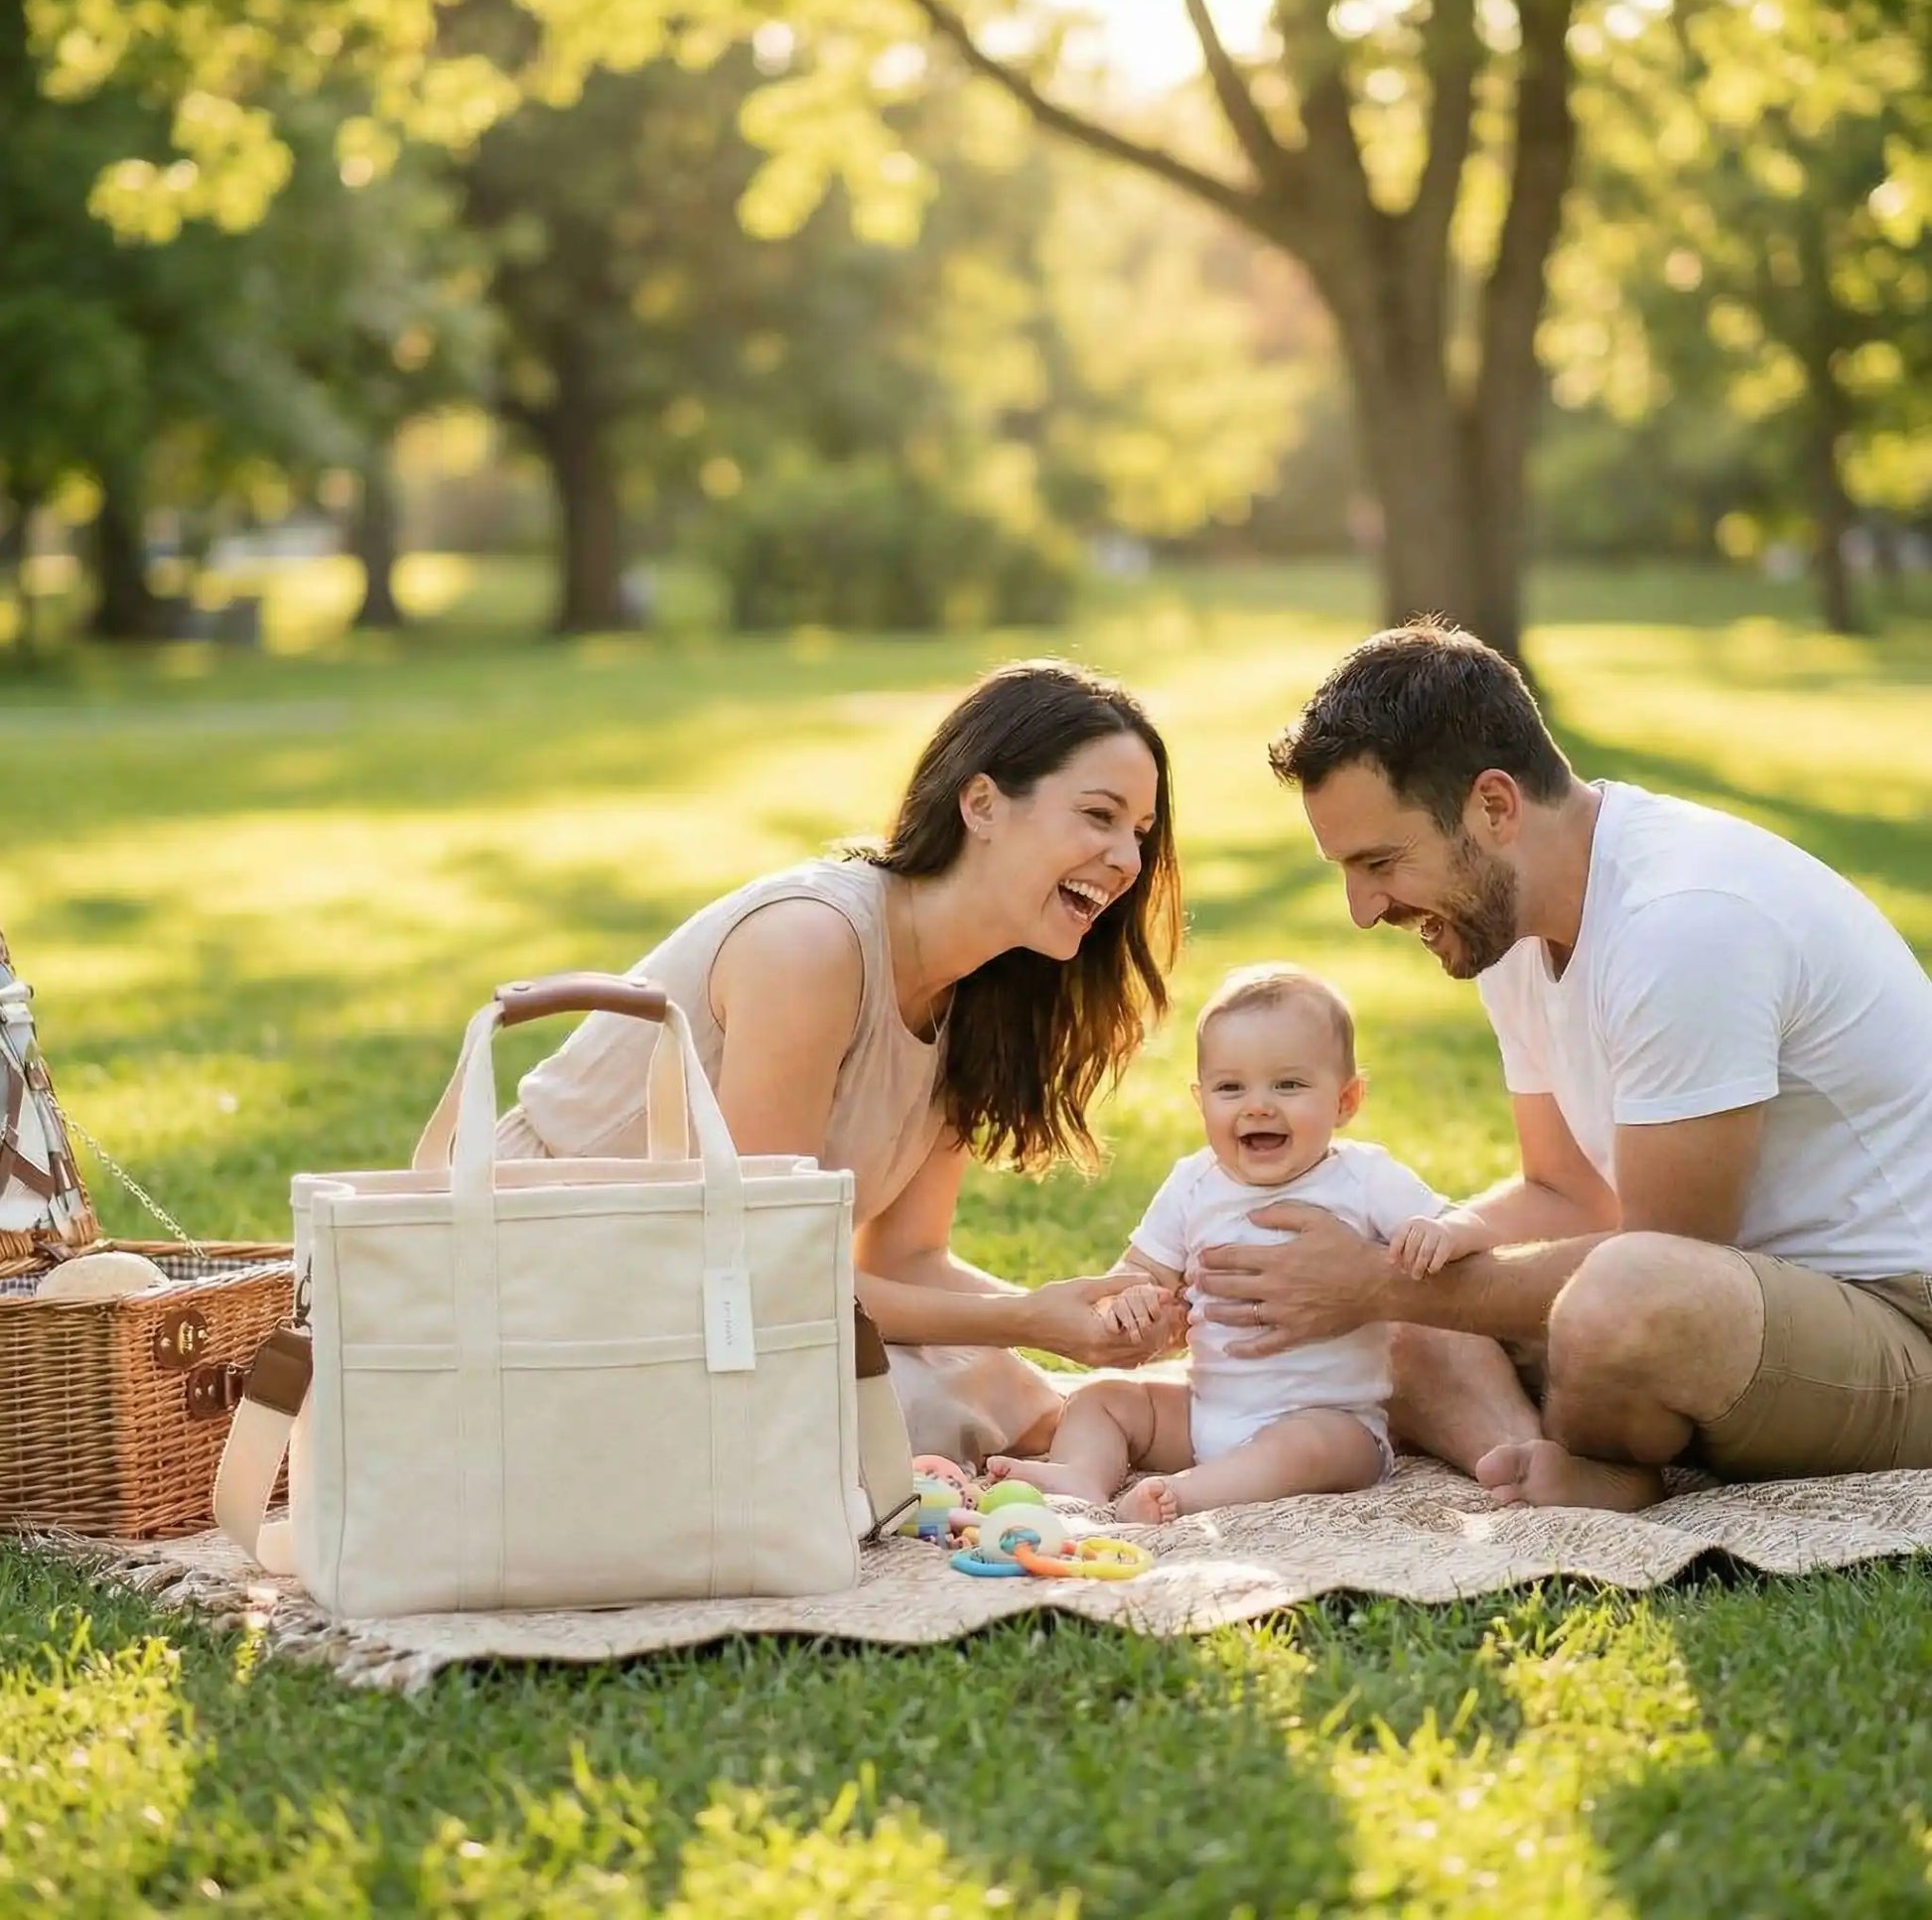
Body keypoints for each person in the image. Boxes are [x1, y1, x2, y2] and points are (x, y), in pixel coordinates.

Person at [1190, 621, 1932, 1510]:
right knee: (1408, 1305)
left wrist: (1371, 1283)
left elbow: (1667, 1253)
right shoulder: (1506, 929)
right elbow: (1567, 1194)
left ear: (1494, 807)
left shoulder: (1683, 921)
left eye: (1380, 862)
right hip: (1746, 1302)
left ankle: (1586, 1454)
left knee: (1611, 1299)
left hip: (1899, 1316)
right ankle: (1530, 1457)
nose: (1362, 908)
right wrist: (1398, 1265)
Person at [495, 659, 1188, 1465]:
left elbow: (904, 1261)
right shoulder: (813, 946)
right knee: (921, 1404)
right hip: (554, 1282)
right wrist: (1028, 1320)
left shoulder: (978, 995)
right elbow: (768, 1272)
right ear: (983, 803)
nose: (1127, 863)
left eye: (1138, 835)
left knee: (998, 1389)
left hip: (722, 1298)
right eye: (1098, 816)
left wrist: (1077, 1321)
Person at [985, 963, 1497, 1523]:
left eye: (1289, 1084)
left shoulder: (1363, 1179)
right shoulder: (1193, 1183)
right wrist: (1128, 1301)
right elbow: (1137, 1273)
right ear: (1199, 1099)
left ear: (1346, 1101)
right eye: (1231, 1087)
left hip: (1330, 1419)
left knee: (1308, 1449)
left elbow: (1464, 1220)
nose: (1258, 1105)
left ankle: (1191, 1495)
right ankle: (1082, 1474)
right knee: (1100, 1399)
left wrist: (1443, 1231)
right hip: (1207, 1413)